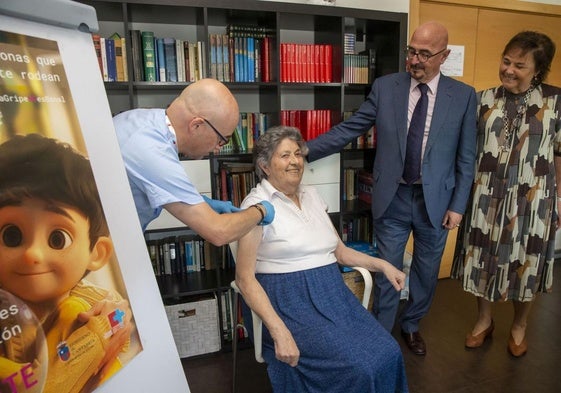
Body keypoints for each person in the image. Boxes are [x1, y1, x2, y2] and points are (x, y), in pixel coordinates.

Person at [306, 21, 477, 356]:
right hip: (393, 198)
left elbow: (466, 157)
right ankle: (382, 334)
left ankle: (411, 325)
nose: (414, 59)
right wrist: (304, 150)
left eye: (425, 54)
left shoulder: (463, 96)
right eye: (411, 51)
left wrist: (458, 205)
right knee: (387, 269)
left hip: (437, 203)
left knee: (427, 273)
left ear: (444, 55)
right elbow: (351, 128)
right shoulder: (386, 87)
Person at [235, 125, 409, 392]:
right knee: (359, 367)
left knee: (389, 351)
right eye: (284, 155)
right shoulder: (255, 206)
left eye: (297, 153)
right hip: (288, 302)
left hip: (332, 295)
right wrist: (280, 332)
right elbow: (245, 279)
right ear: (265, 166)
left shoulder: (313, 196)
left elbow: (339, 251)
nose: (295, 161)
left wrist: (383, 265)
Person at [451, 31, 560, 357]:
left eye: (520, 65)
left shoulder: (555, 102)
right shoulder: (482, 100)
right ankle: (484, 320)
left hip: (534, 200)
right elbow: (466, 152)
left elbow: (558, 153)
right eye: (506, 61)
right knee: (482, 259)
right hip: (486, 196)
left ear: (538, 70)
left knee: (526, 263)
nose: (509, 69)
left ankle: (519, 324)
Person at [0, 134, 132, 393]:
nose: (32, 254)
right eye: (11, 235)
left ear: (97, 252)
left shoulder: (88, 308)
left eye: (57, 239)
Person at [112, 78, 274, 242]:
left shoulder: (143, 120)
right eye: (222, 140)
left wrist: (201, 202)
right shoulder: (152, 150)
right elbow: (219, 232)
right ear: (196, 125)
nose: (218, 148)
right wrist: (260, 211)